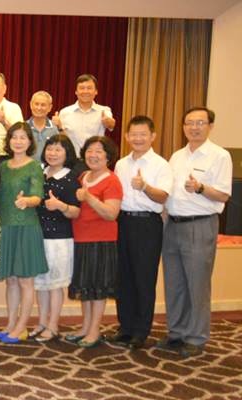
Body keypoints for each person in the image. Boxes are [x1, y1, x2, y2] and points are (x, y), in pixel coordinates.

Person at [157, 107, 232, 357]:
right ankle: (176, 332)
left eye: (200, 123)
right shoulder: (177, 156)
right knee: (174, 283)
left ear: (211, 126)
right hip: (172, 224)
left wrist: (200, 188)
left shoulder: (219, 156)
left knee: (197, 283)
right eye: (189, 123)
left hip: (199, 225)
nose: (194, 127)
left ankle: (196, 337)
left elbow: (223, 194)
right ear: (183, 127)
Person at [109, 116, 173, 350]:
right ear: (127, 136)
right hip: (123, 221)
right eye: (133, 134)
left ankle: (141, 331)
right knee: (123, 277)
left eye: (143, 134)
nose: (138, 138)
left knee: (144, 278)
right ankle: (125, 327)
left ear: (152, 136)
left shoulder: (161, 165)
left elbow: (163, 196)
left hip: (147, 224)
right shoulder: (121, 164)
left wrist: (145, 187)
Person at [67, 136, 123, 348]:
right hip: (81, 238)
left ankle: (94, 330)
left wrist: (89, 198)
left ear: (108, 156)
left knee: (98, 288)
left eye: (99, 151)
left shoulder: (112, 180)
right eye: (90, 150)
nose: (93, 155)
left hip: (102, 240)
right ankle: (85, 327)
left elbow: (111, 213)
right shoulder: (83, 176)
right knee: (86, 288)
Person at [0, 122, 47, 344]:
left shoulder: (34, 166)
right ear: (8, 141)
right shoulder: (2, 167)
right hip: (6, 226)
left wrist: (27, 201)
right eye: (14, 137)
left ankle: (21, 326)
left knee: (26, 281)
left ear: (29, 141)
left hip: (26, 227)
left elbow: (38, 196)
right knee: (11, 280)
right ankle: (10, 324)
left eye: (23, 137)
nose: (18, 141)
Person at [33, 134, 81, 342]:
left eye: (58, 149)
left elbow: (76, 212)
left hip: (59, 240)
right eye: (50, 148)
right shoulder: (40, 173)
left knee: (54, 285)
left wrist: (60, 206)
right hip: (38, 236)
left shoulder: (71, 178)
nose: (52, 153)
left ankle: (53, 326)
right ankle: (42, 322)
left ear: (67, 153)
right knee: (41, 284)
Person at [54, 74, 116, 154]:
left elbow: (111, 125)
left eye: (89, 88)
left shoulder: (104, 111)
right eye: (82, 88)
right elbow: (61, 136)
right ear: (76, 92)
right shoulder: (65, 112)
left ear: (96, 91)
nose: (85, 91)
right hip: (71, 158)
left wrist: (108, 122)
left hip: (94, 157)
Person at [26, 91, 60, 161]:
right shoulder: (24, 127)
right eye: (36, 104)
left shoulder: (55, 128)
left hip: (49, 167)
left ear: (50, 107)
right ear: (31, 105)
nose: (39, 108)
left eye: (43, 105)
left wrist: (60, 128)